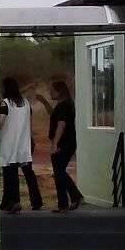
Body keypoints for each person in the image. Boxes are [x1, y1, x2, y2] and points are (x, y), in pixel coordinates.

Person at [37, 80, 84, 212]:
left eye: (52, 90)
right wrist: (44, 101)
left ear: (59, 91)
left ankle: (75, 196)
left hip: (63, 143)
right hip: (68, 142)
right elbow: (53, 115)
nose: (50, 92)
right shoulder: (65, 105)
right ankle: (64, 204)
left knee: (59, 172)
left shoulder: (63, 106)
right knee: (59, 173)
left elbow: (61, 125)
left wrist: (55, 143)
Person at [0, 78, 42, 213]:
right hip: (24, 144)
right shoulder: (26, 103)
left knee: (10, 174)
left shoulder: (5, 103)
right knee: (29, 173)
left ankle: (14, 201)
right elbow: (29, 122)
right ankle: (36, 201)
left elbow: (1, 122)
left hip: (9, 144)